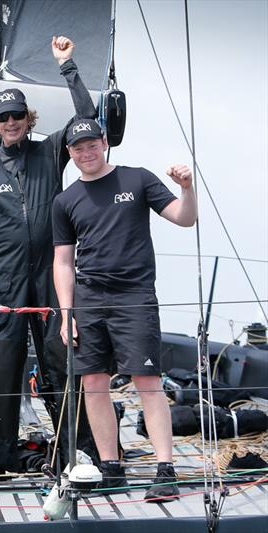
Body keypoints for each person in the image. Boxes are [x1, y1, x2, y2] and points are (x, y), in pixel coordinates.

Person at [0, 36, 96, 485]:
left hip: (49, 275)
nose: (11, 122)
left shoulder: (50, 150)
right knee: (2, 366)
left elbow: (87, 118)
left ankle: (75, 452)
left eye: (18, 116)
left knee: (59, 362)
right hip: (7, 279)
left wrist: (67, 66)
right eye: (3, 117)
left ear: (28, 118)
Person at [52, 118, 196, 501]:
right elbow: (63, 262)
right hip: (88, 299)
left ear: (104, 143)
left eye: (92, 144)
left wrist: (187, 187)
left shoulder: (138, 179)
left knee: (147, 382)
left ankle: (166, 470)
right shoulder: (65, 200)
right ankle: (110, 467)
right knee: (93, 384)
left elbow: (185, 218)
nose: (86, 152)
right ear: (70, 153)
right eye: (78, 148)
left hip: (134, 296)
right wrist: (67, 313)